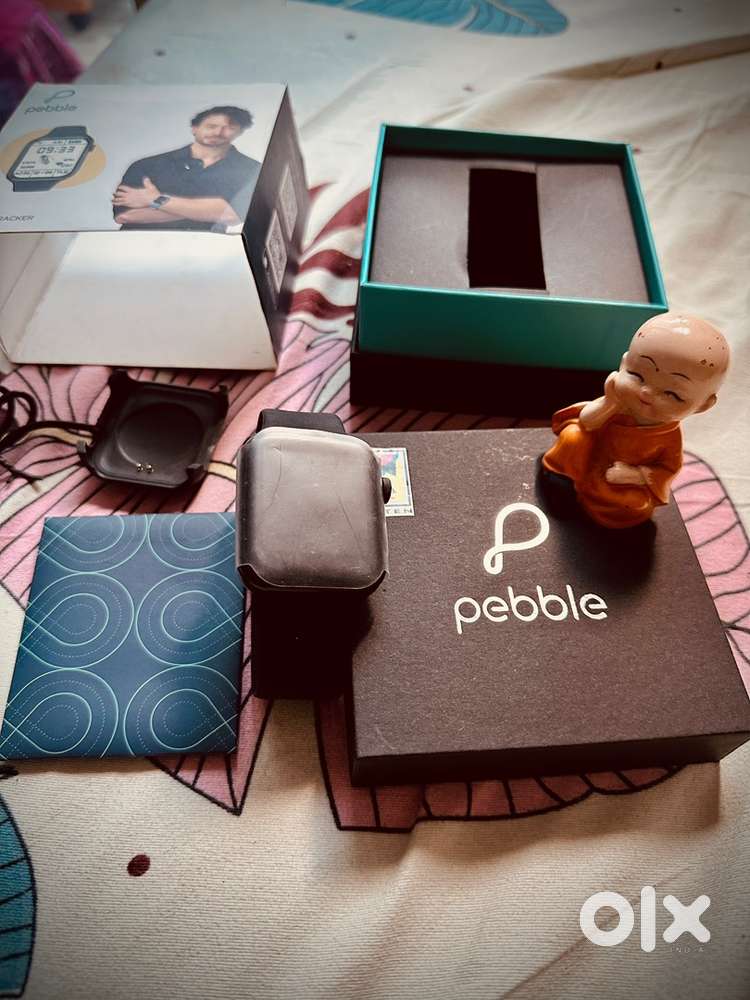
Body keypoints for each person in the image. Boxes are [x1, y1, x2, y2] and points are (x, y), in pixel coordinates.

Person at [542, 312, 730, 528]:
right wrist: (609, 403)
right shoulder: (620, 401)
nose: (646, 393)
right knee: (573, 436)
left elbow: (667, 470)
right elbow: (587, 421)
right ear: (623, 364)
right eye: (637, 376)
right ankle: (559, 479)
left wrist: (636, 475)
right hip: (587, 455)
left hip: (616, 479)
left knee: (635, 505)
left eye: (672, 394)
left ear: (703, 405)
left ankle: (589, 504)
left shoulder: (669, 438)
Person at [112, 105, 260, 232]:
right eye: (211, 126)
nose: (218, 132)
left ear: (240, 132)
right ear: (195, 128)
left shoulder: (251, 170)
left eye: (229, 128)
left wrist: (155, 199)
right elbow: (125, 215)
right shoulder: (148, 165)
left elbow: (232, 215)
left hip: (205, 250)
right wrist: (209, 211)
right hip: (138, 247)